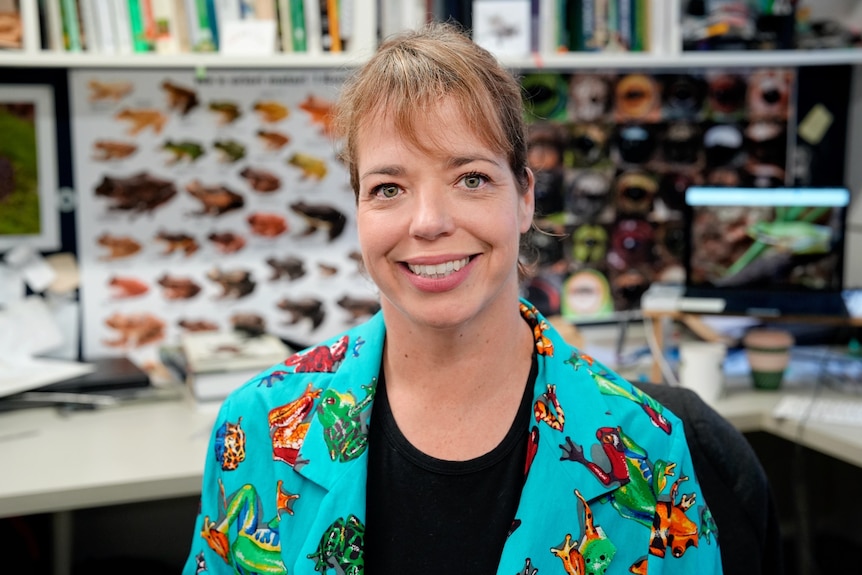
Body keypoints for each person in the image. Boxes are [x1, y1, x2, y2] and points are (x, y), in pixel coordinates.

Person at [183, 22, 723, 574]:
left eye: (470, 179)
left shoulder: (644, 447)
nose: (429, 223)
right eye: (388, 189)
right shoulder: (257, 427)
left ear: (525, 198)